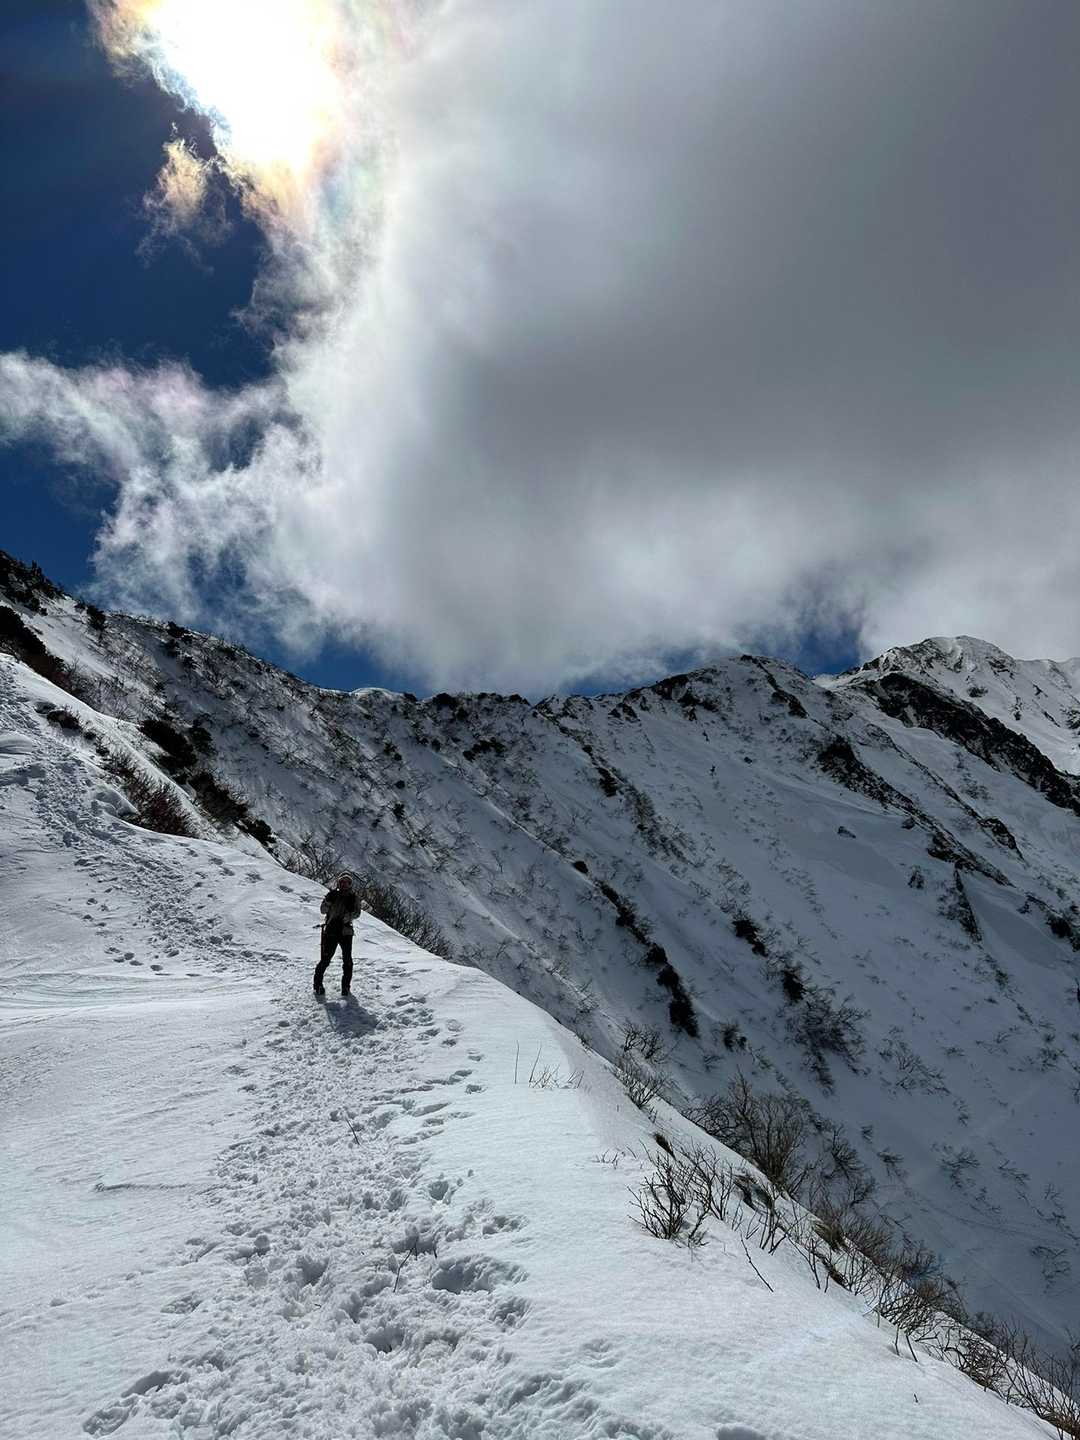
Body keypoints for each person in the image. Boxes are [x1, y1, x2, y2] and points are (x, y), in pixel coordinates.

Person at [315, 874, 362, 997]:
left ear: (350, 884)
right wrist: (327, 902)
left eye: (346, 882)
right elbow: (322, 910)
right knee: (326, 959)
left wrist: (349, 917)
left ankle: (345, 986)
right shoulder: (332, 895)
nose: (343, 884)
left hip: (345, 931)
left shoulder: (353, 897)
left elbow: (357, 913)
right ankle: (318, 985)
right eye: (342, 882)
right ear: (339, 883)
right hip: (332, 930)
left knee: (347, 960)